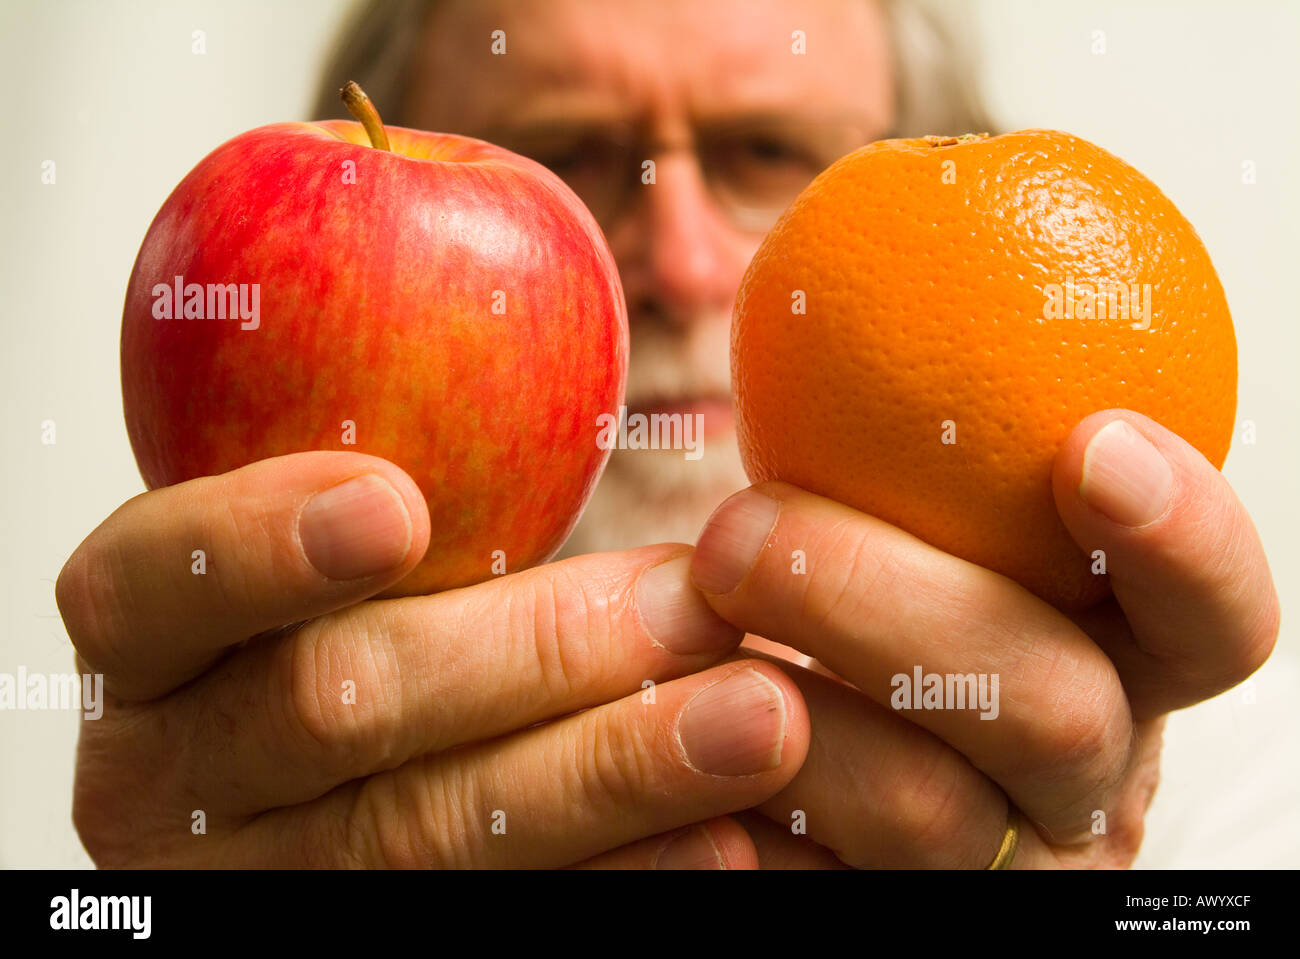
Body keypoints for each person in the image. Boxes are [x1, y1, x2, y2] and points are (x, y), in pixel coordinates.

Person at [58, 0, 1279, 869]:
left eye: (766, 153)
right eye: (577, 154)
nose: (682, 266)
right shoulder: (194, 792)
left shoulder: (1209, 807)